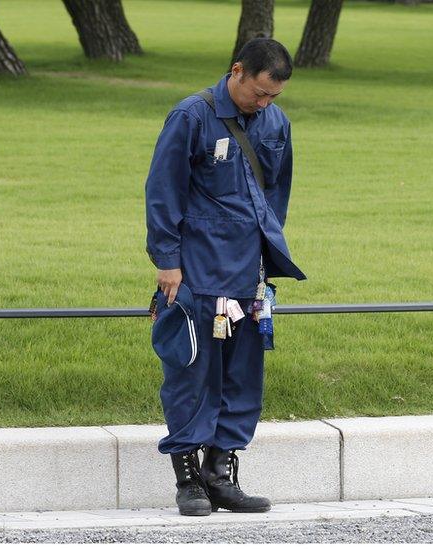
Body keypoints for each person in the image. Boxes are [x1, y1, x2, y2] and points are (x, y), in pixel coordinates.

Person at [143, 38, 306, 516]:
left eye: (274, 96)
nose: (265, 103)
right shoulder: (191, 116)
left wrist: (266, 249)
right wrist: (167, 259)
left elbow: (278, 192)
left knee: (242, 374)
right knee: (192, 370)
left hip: (249, 274)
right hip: (195, 269)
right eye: (259, 92)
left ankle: (222, 472)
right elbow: (162, 188)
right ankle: (188, 479)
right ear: (236, 71)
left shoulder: (276, 123)